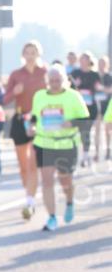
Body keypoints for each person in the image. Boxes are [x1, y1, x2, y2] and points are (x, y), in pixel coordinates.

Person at [28, 65, 90, 231]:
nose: (55, 83)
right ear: (47, 81)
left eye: (58, 80)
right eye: (52, 80)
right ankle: (52, 217)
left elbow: (85, 121)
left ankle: (69, 202)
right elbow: (34, 116)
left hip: (66, 144)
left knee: (65, 180)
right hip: (44, 143)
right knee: (47, 181)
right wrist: (32, 127)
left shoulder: (73, 96)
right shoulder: (39, 96)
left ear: (65, 80)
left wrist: (72, 123)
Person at [3, 41, 48, 220]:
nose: (30, 55)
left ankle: (30, 200)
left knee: (33, 163)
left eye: (33, 52)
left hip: (40, 120)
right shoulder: (16, 74)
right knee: (23, 164)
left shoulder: (44, 73)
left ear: (38, 54)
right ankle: (29, 191)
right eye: (27, 52)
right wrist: (15, 91)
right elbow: (5, 99)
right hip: (21, 119)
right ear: (23, 54)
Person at [69, 51, 101, 167]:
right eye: (81, 59)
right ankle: (75, 153)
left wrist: (99, 88)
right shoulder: (75, 73)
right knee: (76, 131)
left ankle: (85, 155)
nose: (82, 62)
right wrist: (74, 85)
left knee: (86, 131)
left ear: (89, 61)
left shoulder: (95, 74)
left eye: (85, 59)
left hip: (90, 107)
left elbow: (99, 89)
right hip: (76, 107)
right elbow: (67, 88)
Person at [98, 55, 112, 160]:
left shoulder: (109, 76)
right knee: (97, 129)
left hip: (108, 106)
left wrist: (102, 88)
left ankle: (108, 149)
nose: (101, 65)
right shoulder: (95, 76)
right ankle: (97, 152)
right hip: (97, 105)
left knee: (108, 130)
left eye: (103, 63)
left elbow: (110, 90)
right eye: (100, 63)